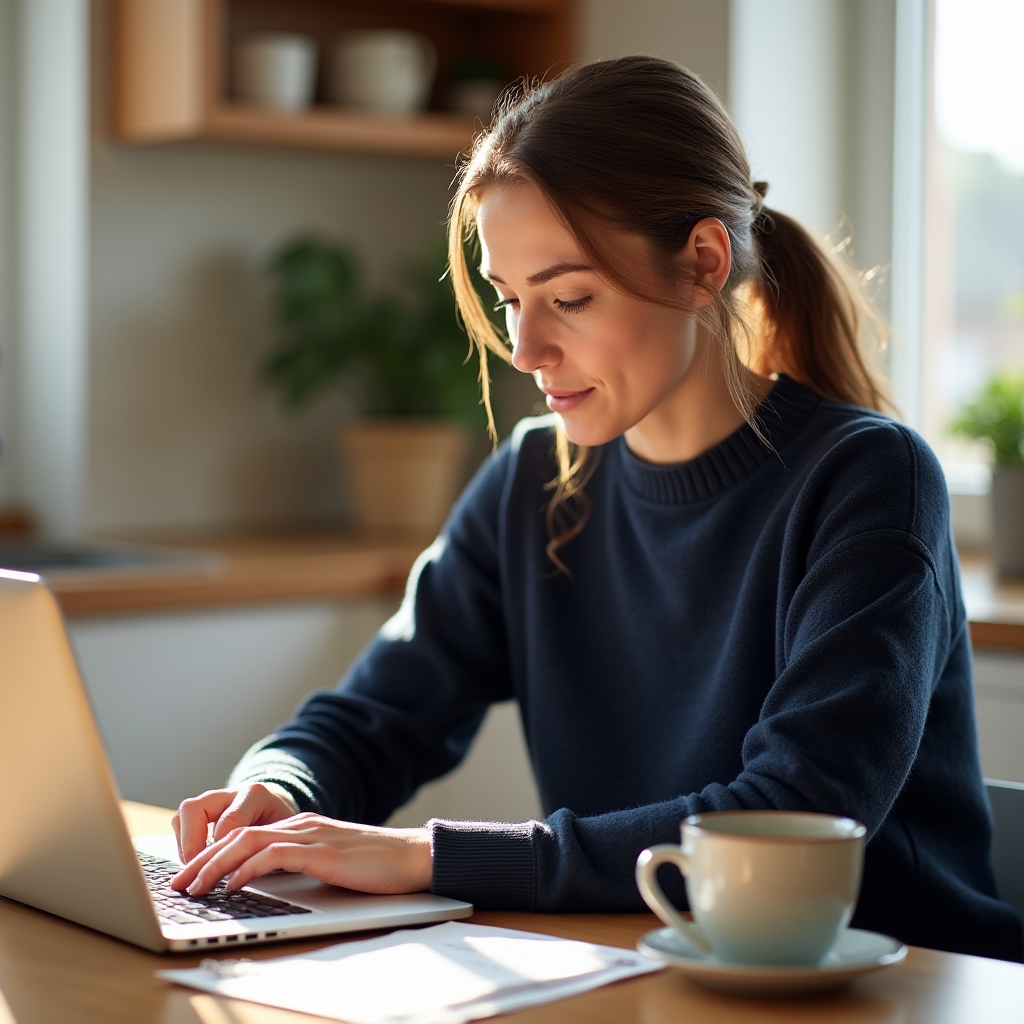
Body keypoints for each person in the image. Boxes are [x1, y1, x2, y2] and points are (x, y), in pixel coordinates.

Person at [170, 57, 1023, 961]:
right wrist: (279, 788)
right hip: (645, 971)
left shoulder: (869, 479)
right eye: (509, 300)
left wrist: (432, 857)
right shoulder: (533, 480)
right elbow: (377, 714)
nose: (527, 347)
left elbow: (790, 812)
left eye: (570, 297)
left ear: (702, 264)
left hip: (902, 985)